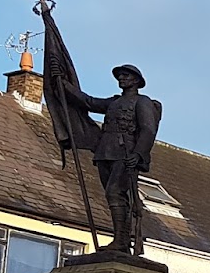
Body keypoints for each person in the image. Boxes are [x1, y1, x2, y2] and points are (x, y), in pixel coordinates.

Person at [65, 65, 161, 254]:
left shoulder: (142, 102)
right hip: (105, 151)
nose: (121, 78)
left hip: (125, 153)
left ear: (136, 80)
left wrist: (138, 154)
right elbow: (89, 102)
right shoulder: (114, 102)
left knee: (115, 192)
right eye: (120, 76)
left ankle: (121, 240)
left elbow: (148, 129)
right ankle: (120, 239)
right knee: (112, 195)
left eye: (126, 75)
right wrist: (64, 84)